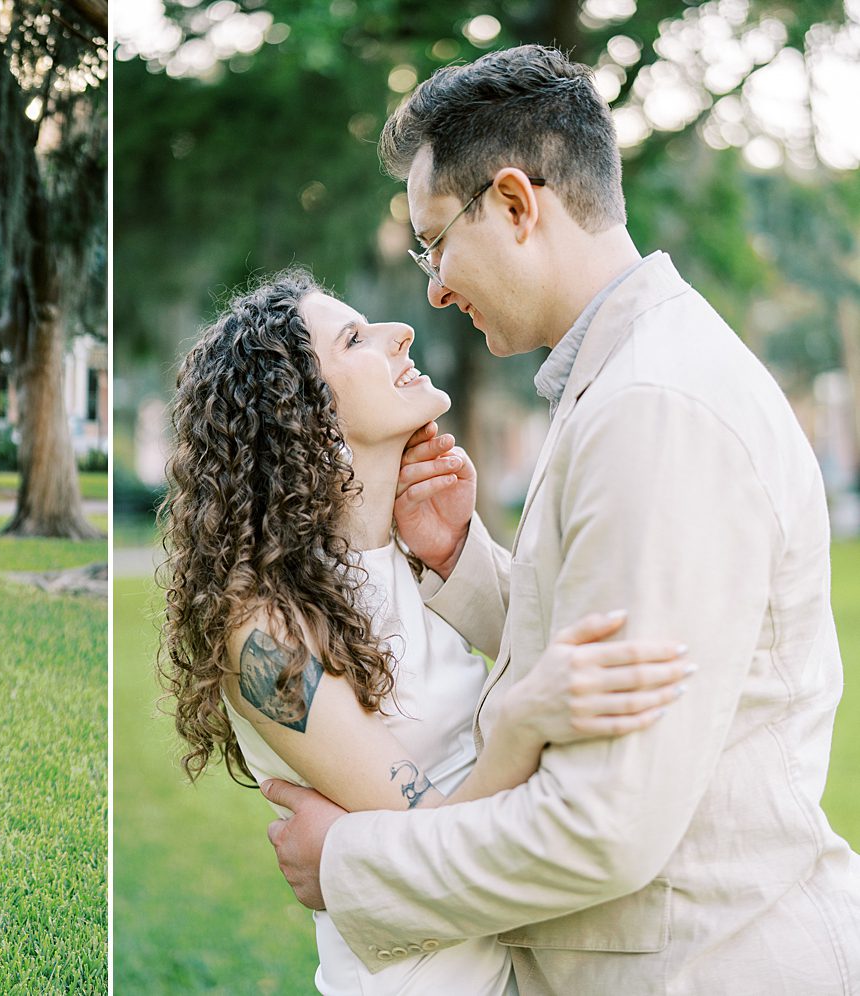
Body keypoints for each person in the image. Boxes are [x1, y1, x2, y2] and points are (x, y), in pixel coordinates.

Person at [264, 45, 860, 995]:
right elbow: (606, 644)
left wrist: (346, 866)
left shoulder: (654, 403)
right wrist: (462, 557)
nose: (434, 289)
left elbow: (603, 826)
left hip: (707, 967)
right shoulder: (627, 377)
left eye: (436, 241)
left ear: (514, 204)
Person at [158, 269, 692, 994]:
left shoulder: (411, 557)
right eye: (354, 337)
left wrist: (454, 547)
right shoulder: (265, 632)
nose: (398, 331)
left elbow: (549, 631)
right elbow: (432, 842)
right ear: (303, 412)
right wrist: (525, 721)